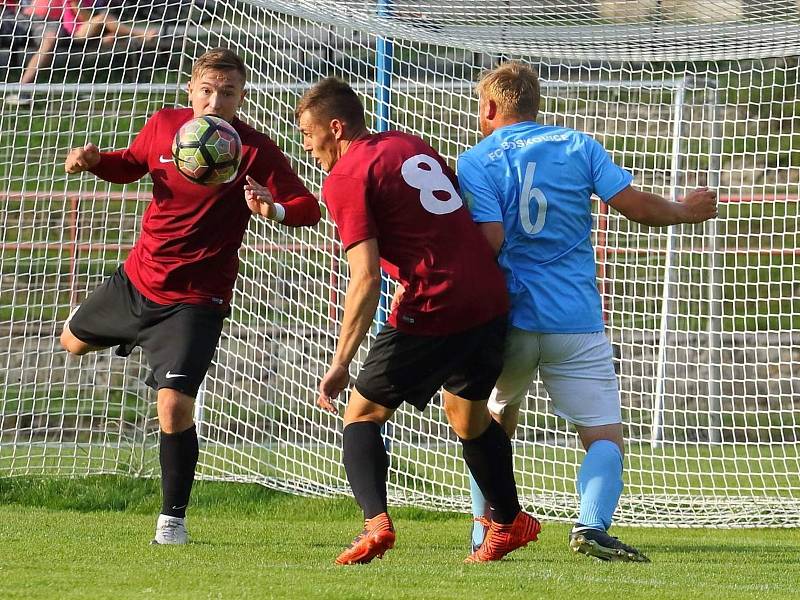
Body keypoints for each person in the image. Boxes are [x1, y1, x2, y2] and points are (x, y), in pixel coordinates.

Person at [458, 61, 718, 562]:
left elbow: (488, 240)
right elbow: (636, 207)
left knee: (490, 425)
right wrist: (686, 209)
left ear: (490, 108)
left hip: (506, 318)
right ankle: (591, 526)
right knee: (603, 435)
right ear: (535, 104)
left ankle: (486, 530)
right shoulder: (579, 146)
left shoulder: (475, 160)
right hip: (575, 321)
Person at [60, 47, 320, 545]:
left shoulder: (253, 150)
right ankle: (135, 340)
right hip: (137, 280)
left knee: (174, 406)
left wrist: (275, 210)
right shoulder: (164, 125)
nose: (215, 101)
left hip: (195, 301)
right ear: (190, 91)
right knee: (69, 343)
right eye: (207, 90)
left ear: (242, 97)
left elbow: (307, 206)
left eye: (227, 93)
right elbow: (131, 164)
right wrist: (95, 162)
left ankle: (171, 521)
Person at [287, 76, 540, 565]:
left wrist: (341, 361)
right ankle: (510, 521)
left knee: (361, 412)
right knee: (467, 417)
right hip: (486, 295)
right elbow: (446, 214)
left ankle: (375, 524)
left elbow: (363, 279)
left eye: (307, 133)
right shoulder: (407, 143)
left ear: (335, 128)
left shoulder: (344, 177)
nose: (307, 145)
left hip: (435, 301)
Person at [5, 0, 158, 107]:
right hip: (76, 31)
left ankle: (137, 69)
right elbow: (83, 17)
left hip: (89, 29)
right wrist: (100, 20)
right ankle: (139, 33)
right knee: (104, 19)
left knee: (111, 34)